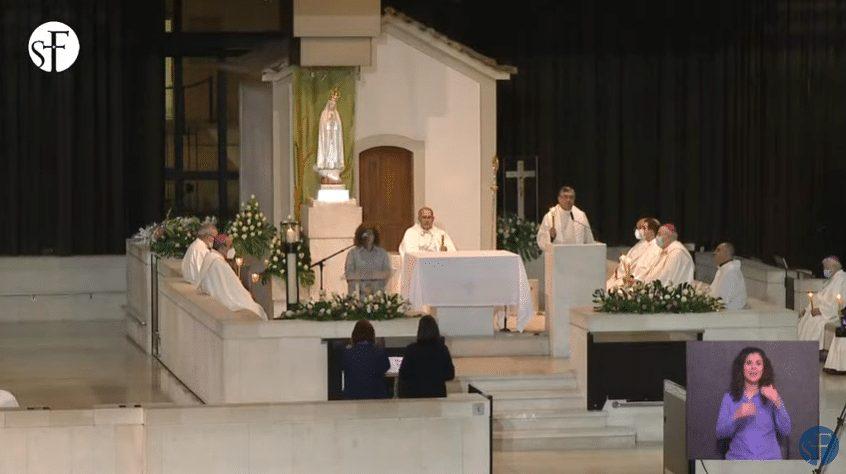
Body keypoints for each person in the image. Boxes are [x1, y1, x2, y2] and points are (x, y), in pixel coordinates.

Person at [715, 347, 791, 460]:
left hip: (769, 461)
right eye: (748, 363)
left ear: (764, 368)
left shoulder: (771, 395)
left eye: (758, 363)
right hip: (737, 460)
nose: (753, 367)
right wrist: (736, 415)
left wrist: (777, 401)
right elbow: (720, 433)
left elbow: (786, 430)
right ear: (742, 367)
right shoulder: (729, 397)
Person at [197, 234, 268, 319]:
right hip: (224, 301)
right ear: (222, 248)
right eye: (230, 246)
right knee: (257, 310)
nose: (231, 250)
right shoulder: (219, 263)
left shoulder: (210, 257)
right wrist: (247, 295)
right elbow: (234, 288)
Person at [398, 315, 455, 398]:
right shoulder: (442, 349)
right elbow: (450, 374)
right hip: (437, 394)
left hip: (414, 395)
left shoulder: (411, 349)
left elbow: (403, 374)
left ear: (419, 330)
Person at [798, 256, 846, 350]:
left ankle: (808, 349)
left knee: (815, 321)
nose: (825, 270)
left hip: (832, 313)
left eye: (827, 268)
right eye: (824, 268)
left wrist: (820, 310)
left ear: (834, 267)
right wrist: (807, 309)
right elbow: (819, 297)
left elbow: (838, 302)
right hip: (824, 310)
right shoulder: (832, 279)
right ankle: (802, 348)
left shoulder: (842, 279)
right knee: (806, 317)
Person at [606, 217, 661, 289]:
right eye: (638, 228)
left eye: (643, 228)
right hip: (623, 276)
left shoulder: (656, 247)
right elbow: (628, 261)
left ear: (652, 231)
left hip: (635, 281)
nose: (639, 231)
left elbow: (644, 268)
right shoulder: (641, 243)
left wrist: (631, 278)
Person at [341, 320, 390, 400]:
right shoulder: (380, 352)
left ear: (354, 335)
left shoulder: (347, 353)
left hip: (353, 396)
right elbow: (386, 367)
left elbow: (343, 367)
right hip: (376, 396)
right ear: (372, 335)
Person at [536, 186, 594, 252]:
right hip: (558, 256)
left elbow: (589, 240)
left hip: (577, 255)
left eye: (571, 197)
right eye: (565, 197)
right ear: (559, 199)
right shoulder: (550, 216)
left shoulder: (581, 216)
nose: (568, 200)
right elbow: (541, 240)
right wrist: (550, 236)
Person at [345, 225, 392, 297]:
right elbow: (349, 274)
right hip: (359, 296)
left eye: (370, 233)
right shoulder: (353, 253)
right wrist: (363, 287)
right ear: (360, 236)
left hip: (377, 296)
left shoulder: (382, 253)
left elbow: (387, 272)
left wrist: (374, 285)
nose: (368, 236)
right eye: (365, 234)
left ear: (374, 236)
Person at [707, 242, 747, 310]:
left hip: (730, 314)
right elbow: (712, 291)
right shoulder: (722, 269)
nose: (714, 253)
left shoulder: (731, 271)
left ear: (726, 253)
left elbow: (723, 300)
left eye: (718, 250)